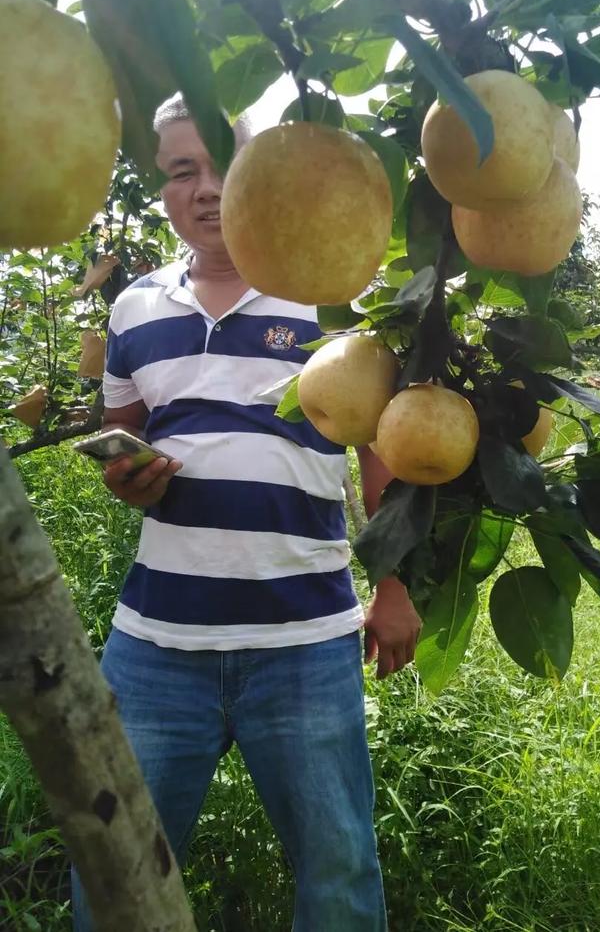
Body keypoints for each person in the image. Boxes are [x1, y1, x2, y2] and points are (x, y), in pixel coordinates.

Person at [71, 95, 421, 931]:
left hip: (303, 642)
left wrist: (396, 586)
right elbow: (124, 438)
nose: (203, 188)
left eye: (222, 164)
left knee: (338, 873)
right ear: (162, 189)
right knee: (116, 872)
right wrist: (128, 476)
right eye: (180, 170)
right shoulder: (134, 312)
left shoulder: (331, 302)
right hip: (158, 647)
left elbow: (385, 455)